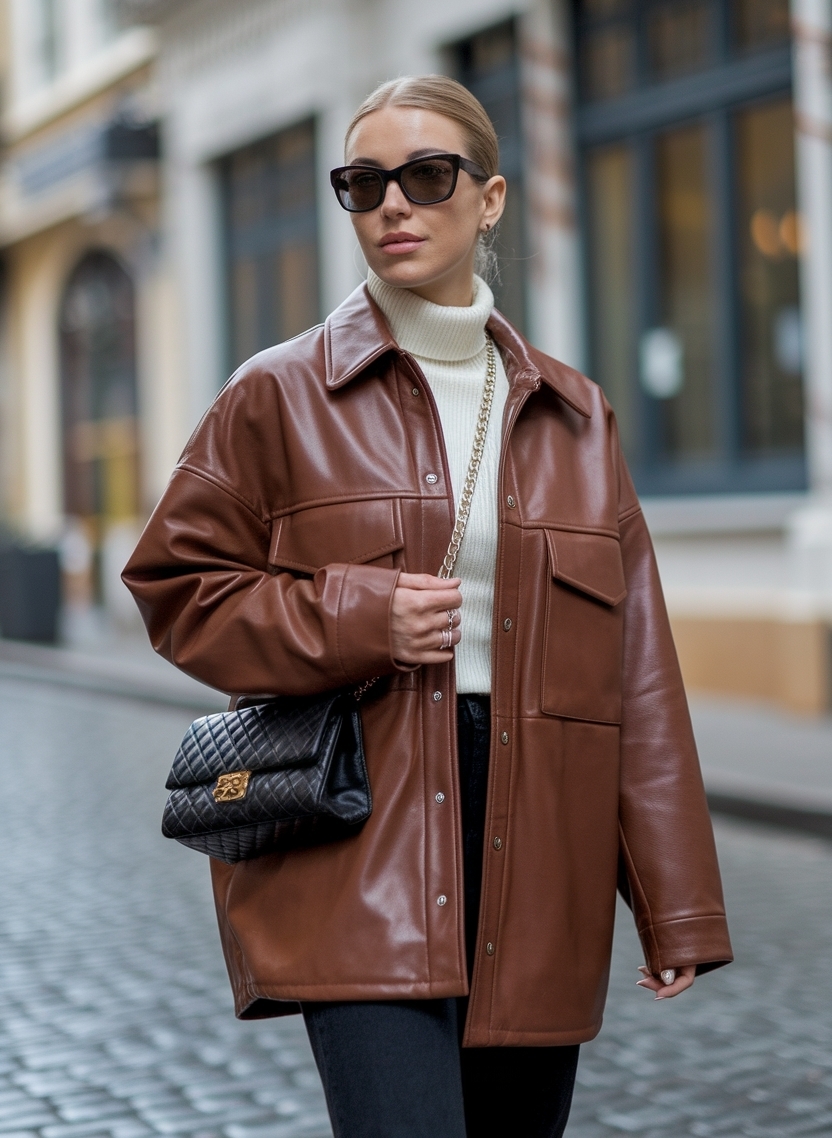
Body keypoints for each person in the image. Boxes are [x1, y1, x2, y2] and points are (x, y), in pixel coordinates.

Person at [123, 75, 732, 1138]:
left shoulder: (577, 414)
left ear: (489, 198)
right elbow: (177, 588)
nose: (393, 203)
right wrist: (354, 619)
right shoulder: (277, 393)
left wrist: (676, 901)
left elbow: (636, 668)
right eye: (363, 184)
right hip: (357, 840)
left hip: (542, 850)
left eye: (426, 174)